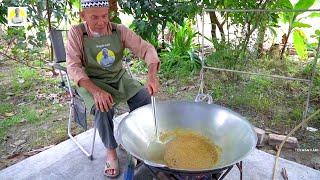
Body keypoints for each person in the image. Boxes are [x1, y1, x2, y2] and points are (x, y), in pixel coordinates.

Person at [66, 0, 160, 177]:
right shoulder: (77, 32)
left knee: (143, 97)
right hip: (91, 82)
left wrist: (152, 76)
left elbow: (146, 49)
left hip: (118, 78)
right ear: (82, 16)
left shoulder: (118, 30)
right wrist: (96, 91)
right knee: (103, 106)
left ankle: (133, 139)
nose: (101, 22)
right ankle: (111, 150)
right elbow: (73, 66)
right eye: (94, 17)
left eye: (104, 16)